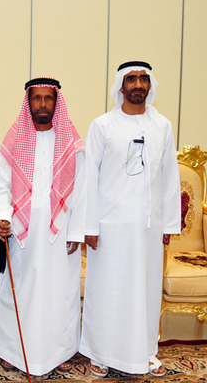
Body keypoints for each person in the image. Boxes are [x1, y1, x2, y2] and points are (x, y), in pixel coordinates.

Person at [80, 61, 181, 378]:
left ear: (150, 85)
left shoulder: (162, 125)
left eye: (143, 79)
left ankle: (146, 352)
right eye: (132, 79)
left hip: (149, 227)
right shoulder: (102, 125)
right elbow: (88, 178)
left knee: (147, 292)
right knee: (107, 290)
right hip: (110, 227)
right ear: (120, 86)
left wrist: (169, 224)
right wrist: (89, 226)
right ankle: (100, 352)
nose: (138, 84)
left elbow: (170, 177)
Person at [0, 76, 85, 376]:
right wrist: (2, 216)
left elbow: (82, 190)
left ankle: (61, 352)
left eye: (48, 98)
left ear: (56, 102)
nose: (43, 104)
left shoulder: (71, 142)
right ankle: (13, 350)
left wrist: (76, 230)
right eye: (37, 98)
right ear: (29, 102)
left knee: (60, 291)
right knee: (20, 288)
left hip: (61, 232)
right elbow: (2, 186)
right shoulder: (14, 140)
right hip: (22, 232)